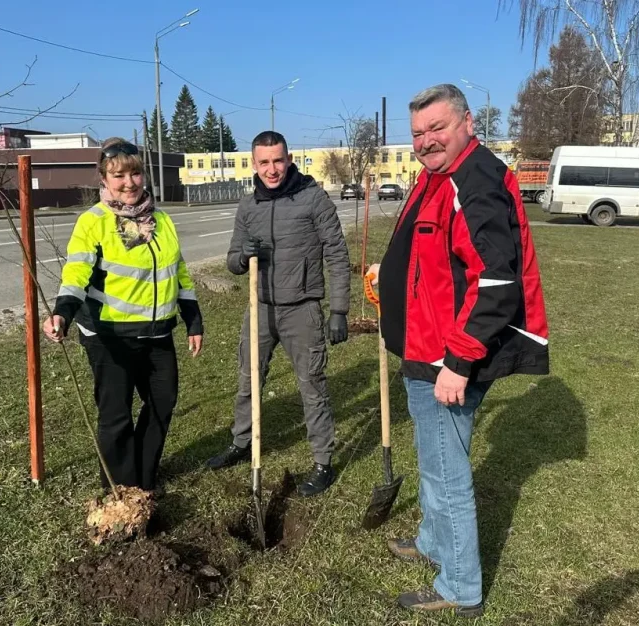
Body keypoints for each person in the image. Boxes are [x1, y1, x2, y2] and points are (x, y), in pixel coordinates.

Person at [370, 84, 549, 617]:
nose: (426, 141)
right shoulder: (436, 176)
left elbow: (496, 282)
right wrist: (392, 274)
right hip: (424, 345)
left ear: (467, 123)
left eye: (437, 129)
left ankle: (460, 586)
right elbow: (434, 253)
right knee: (432, 461)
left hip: (448, 358)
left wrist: (459, 362)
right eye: (419, 133)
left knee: (448, 473)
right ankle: (432, 541)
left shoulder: (476, 181)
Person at [42, 138, 204, 493]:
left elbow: (179, 273)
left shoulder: (161, 220)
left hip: (157, 334)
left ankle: (143, 480)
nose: (129, 182)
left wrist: (193, 319)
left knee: (163, 402)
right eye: (119, 176)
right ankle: (120, 490)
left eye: (135, 173)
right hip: (109, 337)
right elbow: (76, 274)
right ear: (104, 179)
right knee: (115, 416)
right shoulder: (93, 222)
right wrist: (62, 314)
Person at [205, 130, 351, 497]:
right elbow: (232, 261)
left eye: (278, 160)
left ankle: (323, 462)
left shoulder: (313, 199)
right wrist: (243, 256)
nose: (272, 169)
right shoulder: (248, 205)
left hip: (302, 309)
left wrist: (339, 310)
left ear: (289, 159)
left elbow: (337, 254)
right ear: (254, 164)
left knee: (312, 387)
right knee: (248, 380)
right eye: (264, 162)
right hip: (261, 308)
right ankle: (242, 442)